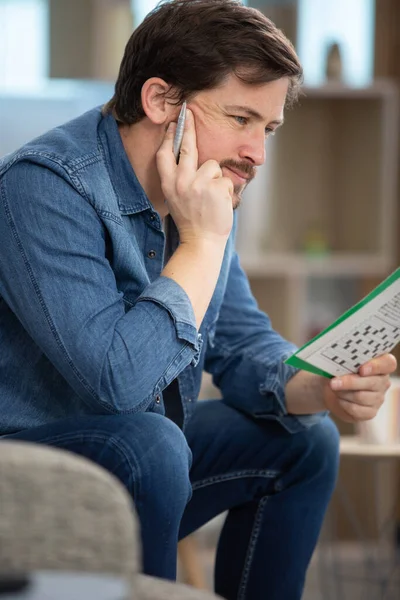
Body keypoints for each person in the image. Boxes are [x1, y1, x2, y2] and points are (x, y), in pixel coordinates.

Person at [0, 1, 396, 598]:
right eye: (240, 118)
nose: (256, 154)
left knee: (304, 439)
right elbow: (118, 384)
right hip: (25, 474)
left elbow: (241, 346)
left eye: (267, 129)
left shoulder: (203, 193)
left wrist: (321, 386)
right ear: (161, 101)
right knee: (151, 438)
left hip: (141, 466)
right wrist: (203, 243)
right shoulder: (43, 187)